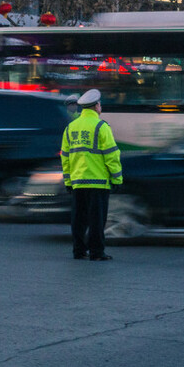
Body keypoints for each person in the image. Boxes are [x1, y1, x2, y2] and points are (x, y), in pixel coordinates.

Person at [60, 88, 122, 261]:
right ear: (96, 106)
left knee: (78, 220)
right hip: (98, 183)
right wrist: (117, 178)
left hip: (78, 182)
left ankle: (78, 251)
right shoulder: (102, 127)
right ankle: (96, 252)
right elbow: (112, 155)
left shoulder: (70, 128)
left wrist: (68, 181)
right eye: (100, 104)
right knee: (97, 220)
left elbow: (65, 157)